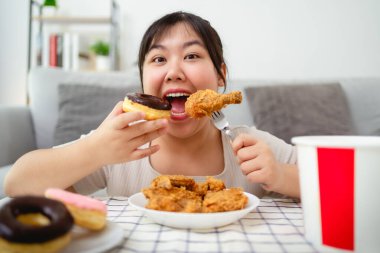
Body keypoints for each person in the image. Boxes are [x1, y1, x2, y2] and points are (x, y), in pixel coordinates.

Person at [4, 11, 299, 198]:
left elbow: (342, 185)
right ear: (143, 81)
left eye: (192, 56)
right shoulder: (118, 149)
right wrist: (95, 150)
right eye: (158, 59)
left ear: (220, 76)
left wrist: (281, 175)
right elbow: (17, 184)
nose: (174, 71)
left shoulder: (250, 146)